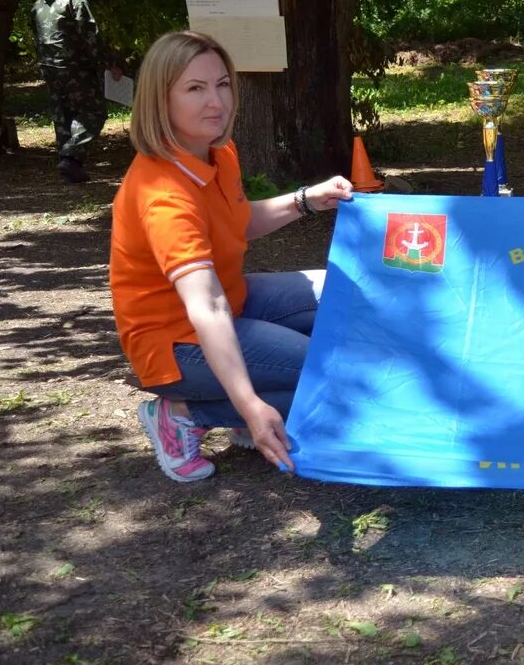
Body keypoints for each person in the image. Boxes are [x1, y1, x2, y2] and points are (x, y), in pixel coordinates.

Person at [109, 30, 352, 482]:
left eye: (221, 84)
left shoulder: (218, 152)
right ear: (159, 100)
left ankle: (238, 403)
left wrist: (306, 199)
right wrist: (249, 405)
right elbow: (207, 306)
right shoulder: (162, 194)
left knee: (342, 296)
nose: (215, 102)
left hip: (229, 301)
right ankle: (182, 413)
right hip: (173, 343)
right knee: (332, 370)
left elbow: (237, 220)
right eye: (194, 89)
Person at [29, 0, 122, 183]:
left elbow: (36, 35)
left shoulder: (38, 4)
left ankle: (70, 169)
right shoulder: (75, 0)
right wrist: (110, 63)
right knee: (94, 112)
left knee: (63, 115)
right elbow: (91, 36)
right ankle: (70, 158)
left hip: (50, 68)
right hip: (76, 69)